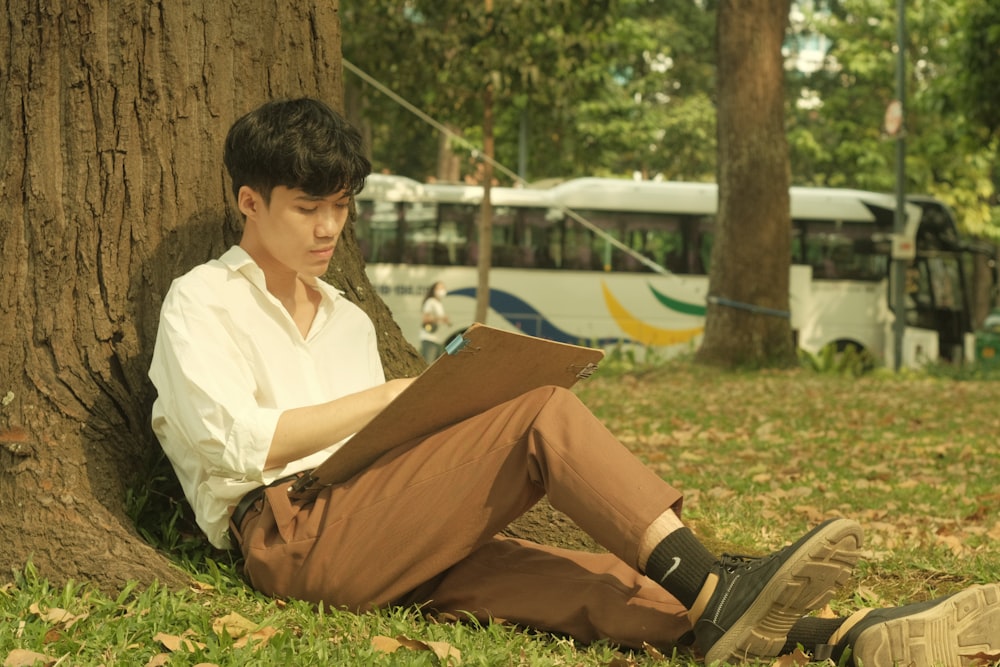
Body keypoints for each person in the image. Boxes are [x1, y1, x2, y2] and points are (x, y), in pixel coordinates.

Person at [148, 98, 1000, 665]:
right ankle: (721, 580)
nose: (330, 226)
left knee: (588, 580)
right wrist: (396, 398)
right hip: (288, 534)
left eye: (342, 205)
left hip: (379, 522)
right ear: (249, 202)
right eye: (308, 207)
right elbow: (234, 441)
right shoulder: (203, 300)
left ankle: (835, 637)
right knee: (539, 411)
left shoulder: (342, 314)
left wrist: (437, 420)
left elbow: (379, 447)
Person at [419, 280, 451, 363]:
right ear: (434, 290)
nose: (442, 290)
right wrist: (440, 318)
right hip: (429, 338)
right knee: (429, 364)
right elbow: (425, 319)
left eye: (443, 288)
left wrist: (445, 321)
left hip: (438, 339)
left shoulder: (438, 303)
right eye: (439, 288)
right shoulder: (430, 302)